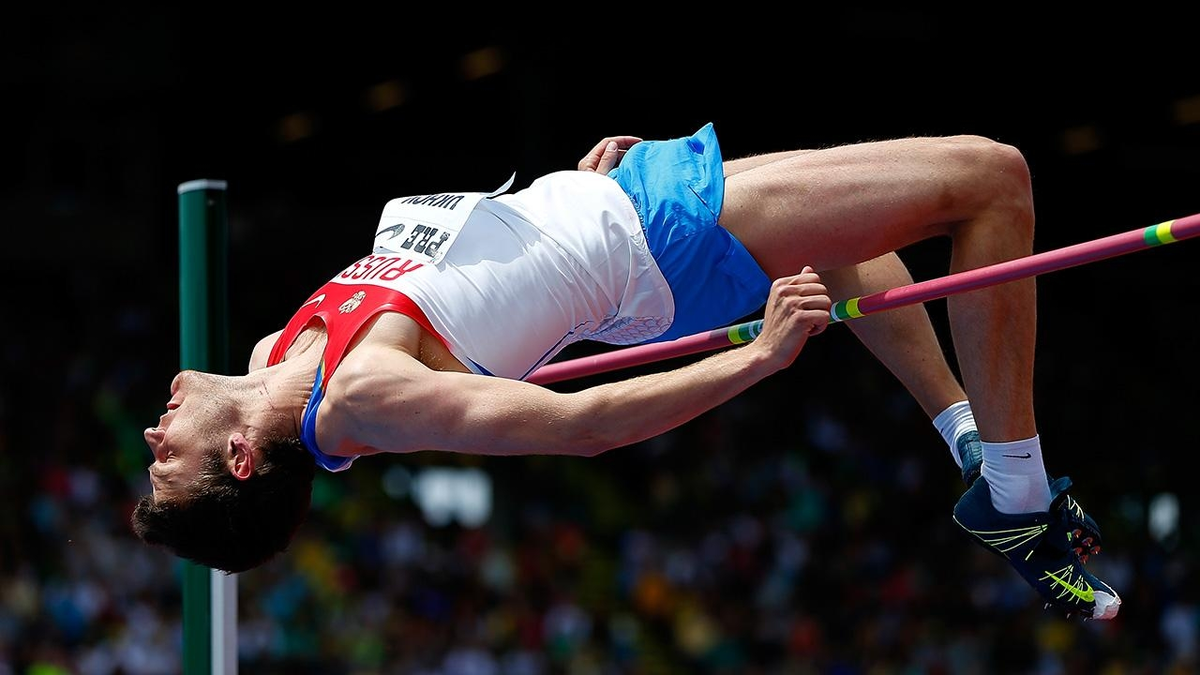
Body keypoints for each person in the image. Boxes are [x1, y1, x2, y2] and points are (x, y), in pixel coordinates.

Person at [133, 123, 1120, 620]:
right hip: (656, 242)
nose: (150, 435)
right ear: (240, 457)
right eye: (164, 461)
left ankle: (969, 448)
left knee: (846, 240)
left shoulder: (278, 355)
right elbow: (582, 425)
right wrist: (760, 357)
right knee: (992, 182)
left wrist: (571, 192)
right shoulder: (360, 401)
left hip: (618, 208)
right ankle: (1018, 497)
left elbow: (471, 270)